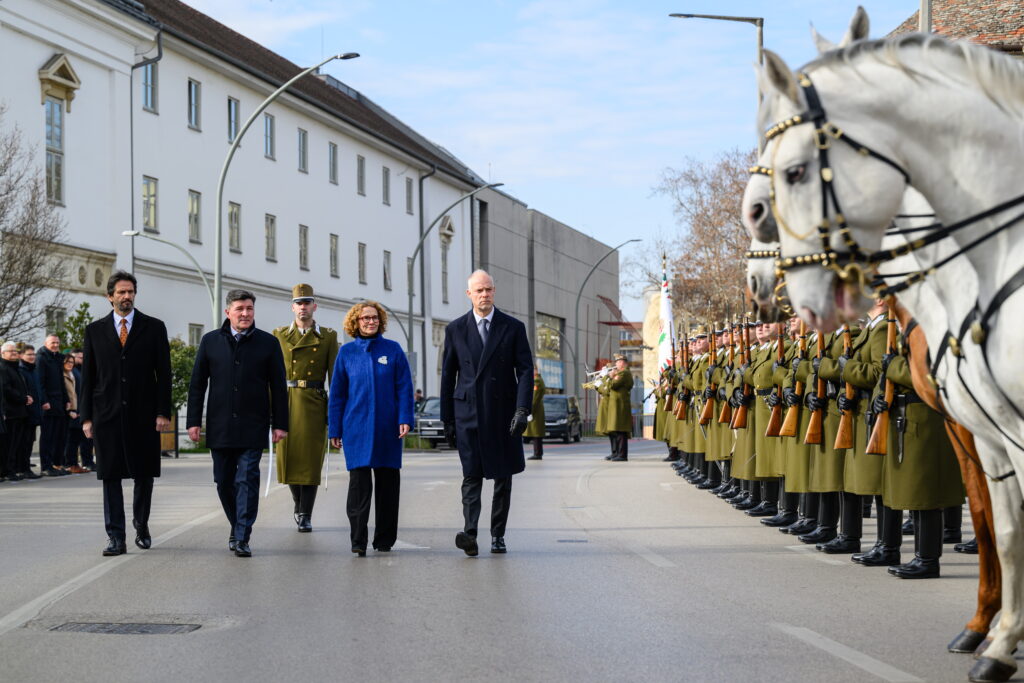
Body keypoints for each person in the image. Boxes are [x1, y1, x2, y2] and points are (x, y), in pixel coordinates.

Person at [187, 289, 288, 558]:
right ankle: (236, 524)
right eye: (240, 309)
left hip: (253, 424)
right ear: (228, 312)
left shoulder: (268, 343)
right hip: (219, 425)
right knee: (223, 481)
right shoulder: (210, 342)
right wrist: (193, 421)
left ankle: (242, 535)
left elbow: (278, 387)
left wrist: (280, 424)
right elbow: (198, 385)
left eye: (250, 309)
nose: (245, 314)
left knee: (247, 479)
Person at [441, 270, 534, 556]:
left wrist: (522, 410)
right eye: (479, 290)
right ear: (469, 294)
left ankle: (497, 535)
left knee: (503, 477)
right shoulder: (455, 329)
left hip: (503, 414)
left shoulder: (512, 327)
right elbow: (448, 375)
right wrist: (447, 419)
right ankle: (469, 534)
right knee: (471, 476)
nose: (485, 294)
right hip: (468, 413)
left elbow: (526, 370)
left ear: (494, 291)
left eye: (489, 289)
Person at [80, 271, 172, 556]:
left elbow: (164, 374)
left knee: (143, 475)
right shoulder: (94, 331)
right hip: (106, 414)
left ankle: (141, 524)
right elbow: (89, 377)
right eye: (120, 292)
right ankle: (115, 537)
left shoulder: (153, 327)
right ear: (110, 297)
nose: (126, 296)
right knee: (110, 476)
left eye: (130, 291)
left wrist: (162, 412)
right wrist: (86, 417)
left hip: (144, 415)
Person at [328, 301, 413, 556]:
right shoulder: (347, 353)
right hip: (356, 428)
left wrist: (405, 417)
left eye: (374, 318)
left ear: (381, 321)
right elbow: (338, 395)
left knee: (388, 485)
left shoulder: (393, 350)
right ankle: (358, 540)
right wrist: (335, 429)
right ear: (356, 322)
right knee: (359, 487)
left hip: (388, 428)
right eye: (365, 318)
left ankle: (385, 539)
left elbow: (404, 388)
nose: (370, 322)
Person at [272, 284, 340, 533]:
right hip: (286, 400)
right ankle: (297, 504)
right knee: (288, 459)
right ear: (293, 307)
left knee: (310, 462)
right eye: (299, 303)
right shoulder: (279, 335)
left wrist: (335, 417)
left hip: (313, 401)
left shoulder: (328, 336)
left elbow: (336, 378)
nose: (303, 307)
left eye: (307, 303)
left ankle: (305, 513)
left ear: (314, 306)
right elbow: (271, 374)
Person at [36, 334, 68, 476]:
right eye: (52, 343)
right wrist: (44, 401)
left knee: (57, 436)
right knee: (48, 436)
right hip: (49, 403)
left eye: (57, 343)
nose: (55, 345)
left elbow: (61, 382)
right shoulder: (42, 358)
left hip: (59, 402)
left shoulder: (57, 358)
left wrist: (66, 399)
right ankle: (46, 466)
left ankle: (55, 464)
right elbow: (40, 382)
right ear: (45, 343)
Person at [0, 342, 31, 482]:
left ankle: (11, 469)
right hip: (10, 412)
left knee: (16, 444)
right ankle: (7, 471)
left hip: (19, 411)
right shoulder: (3, 368)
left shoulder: (15, 367)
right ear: (2, 353)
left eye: (15, 351)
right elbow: (6, 389)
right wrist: (23, 398)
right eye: (10, 351)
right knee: (9, 444)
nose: (14, 353)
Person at [17, 345, 42, 479]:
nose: (32, 357)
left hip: (34, 412)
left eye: (33, 354)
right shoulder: (21, 371)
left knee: (29, 442)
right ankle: (23, 468)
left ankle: (25, 467)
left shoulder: (34, 371)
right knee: (24, 443)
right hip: (26, 413)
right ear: (21, 356)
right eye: (29, 354)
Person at [61, 353, 87, 473]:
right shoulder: (62, 375)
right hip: (68, 410)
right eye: (67, 362)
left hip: (76, 409)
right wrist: (70, 409)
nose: (69, 364)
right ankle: (69, 463)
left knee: (76, 437)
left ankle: (74, 463)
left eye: (71, 362)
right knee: (70, 439)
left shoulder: (73, 374)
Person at [605, 354, 634, 462]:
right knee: (617, 431)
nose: (616, 364)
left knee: (621, 431)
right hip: (617, 405)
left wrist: (611, 376)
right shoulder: (622, 372)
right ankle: (617, 453)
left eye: (617, 362)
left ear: (622, 362)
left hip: (620, 405)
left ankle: (622, 454)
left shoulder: (624, 373)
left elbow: (613, 385)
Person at [71, 349, 95, 469]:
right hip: (76, 408)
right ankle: (75, 462)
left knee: (87, 439)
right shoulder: (73, 372)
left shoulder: (82, 371)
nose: (82, 360)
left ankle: (88, 461)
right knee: (75, 439)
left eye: (83, 357)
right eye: (79, 357)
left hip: (83, 408)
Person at [524, 367, 545, 461]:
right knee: (536, 432)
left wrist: (530, 411)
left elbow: (535, 398)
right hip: (537, 410)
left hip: (535, 410)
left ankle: (537, 453)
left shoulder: (536, 381)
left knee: (536, 432)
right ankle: (538, 453)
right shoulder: (539, 380)